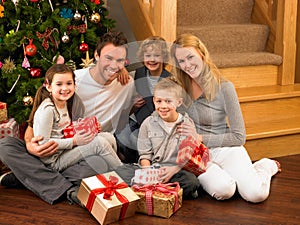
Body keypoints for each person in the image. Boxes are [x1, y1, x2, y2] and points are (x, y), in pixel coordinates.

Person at [0, 31, 134, 205]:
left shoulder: (127, 83)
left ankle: (28, 177)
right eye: (108, 58)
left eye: (119, 60)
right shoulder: (70, 80)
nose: (114, 65)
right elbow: (35, 121)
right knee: (5, 145)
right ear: (96, 55)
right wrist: (29, 144)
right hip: (60, 146)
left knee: (91, 169)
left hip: (86, 152)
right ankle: (57, 184)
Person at [170, 33, 281, 203]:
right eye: (181, 61)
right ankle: (235, 176)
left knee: (256, 195)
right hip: (198, 154)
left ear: (201, 53)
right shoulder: (177, 88)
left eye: (190, 57)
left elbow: (239, 136)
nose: (187, 65)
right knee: (224, 191)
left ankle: (264, 166)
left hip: (226, 148)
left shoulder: (224, 87)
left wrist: (199, 137)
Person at [117, 78, 200, 199]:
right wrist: (147, 171)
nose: (163, 106)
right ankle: (165, 190)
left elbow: (188, 156)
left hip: (175, 171)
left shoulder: (187, 124)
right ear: (154, 101)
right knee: (120, 172)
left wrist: (173, 170)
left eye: (168, 101)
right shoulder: (148, 123)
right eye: (159, 101)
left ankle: (152, 190)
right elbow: (145, 155)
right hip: (153, 169)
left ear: (179, 102)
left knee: (191, 182)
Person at [30, 64, 122, 172]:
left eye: (69, 83)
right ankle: (124, 173)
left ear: (74, 85)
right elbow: (43, 143)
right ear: (49, 86)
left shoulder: (64, 103)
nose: (65, 88)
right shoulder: (48, 110)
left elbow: (64, 129)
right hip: (54, 161)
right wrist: (74, 141)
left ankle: (113, 171)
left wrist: (91, 128)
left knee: (108, 137)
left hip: (65, 150)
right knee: (99, 143)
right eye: (59, 84)